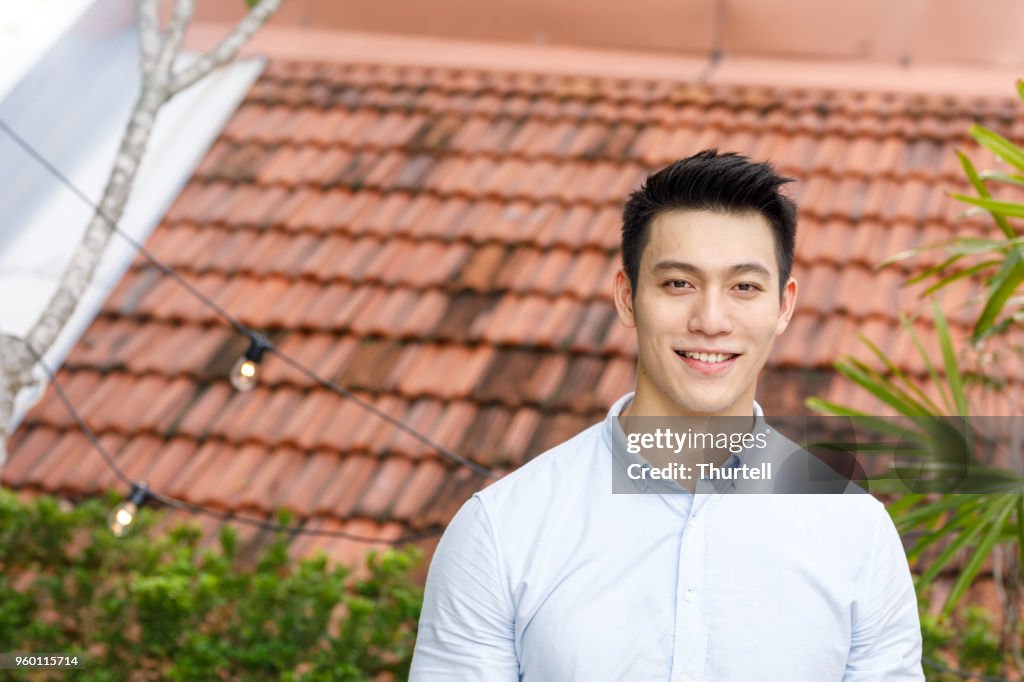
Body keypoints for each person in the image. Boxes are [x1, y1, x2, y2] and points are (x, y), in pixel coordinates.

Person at [409, 150, 924, 681]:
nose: (711, 320)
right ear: (628, 298)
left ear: (784, 306)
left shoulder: (855, 532)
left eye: (744, 287)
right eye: (679, 283)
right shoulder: (501, 529)